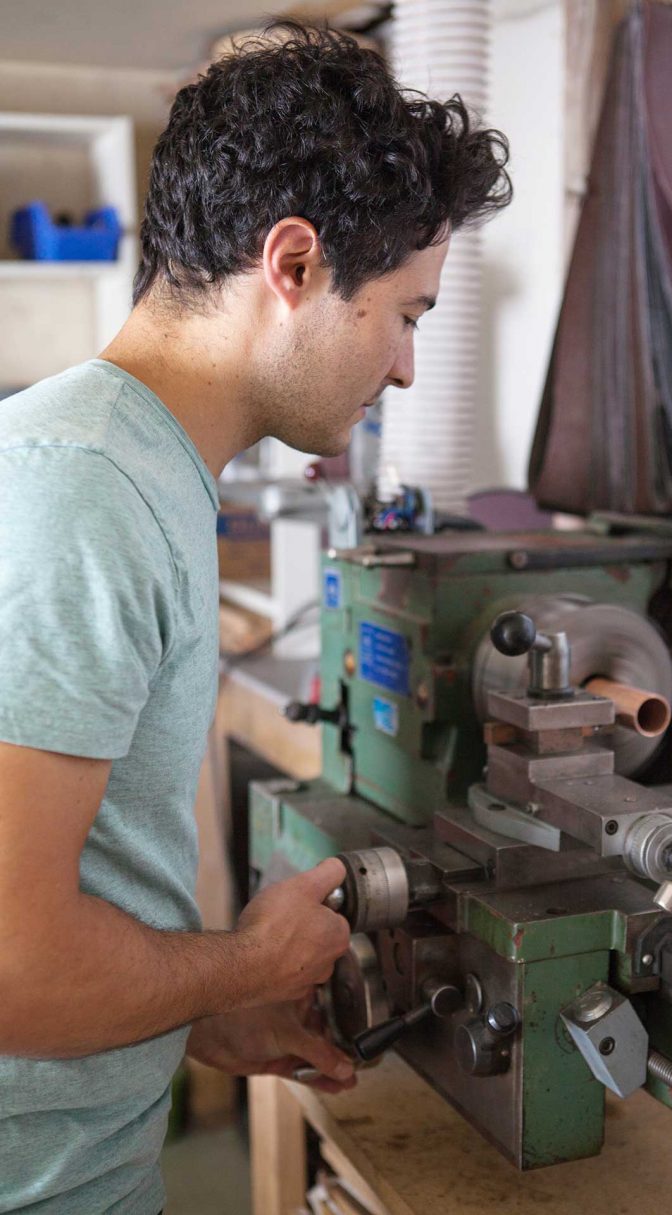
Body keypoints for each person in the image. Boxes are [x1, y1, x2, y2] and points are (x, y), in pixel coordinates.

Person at [0, 20, 510, 1214]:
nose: (405, 370)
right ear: (292, 267)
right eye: (405, 313)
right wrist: (248, 960)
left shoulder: (118, 463)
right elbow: (13, 964)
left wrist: (198, 1010)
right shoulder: (92, 497)